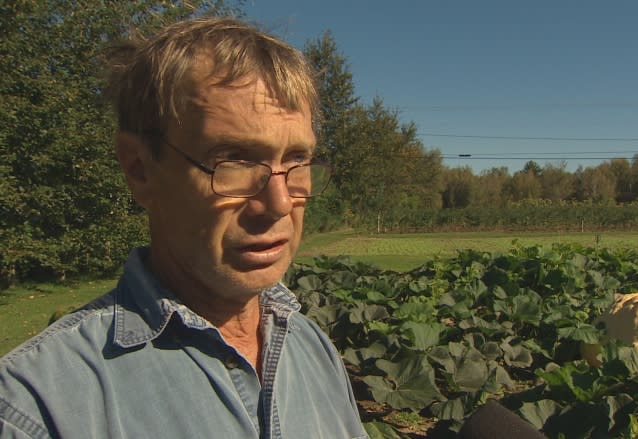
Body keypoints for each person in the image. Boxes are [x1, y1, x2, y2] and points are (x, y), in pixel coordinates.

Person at [0, 17, 368, 439]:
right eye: (236, 160)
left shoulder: (311, 345)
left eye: (297, 161)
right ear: (140, 170)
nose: (280, 203)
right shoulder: (35, 408)